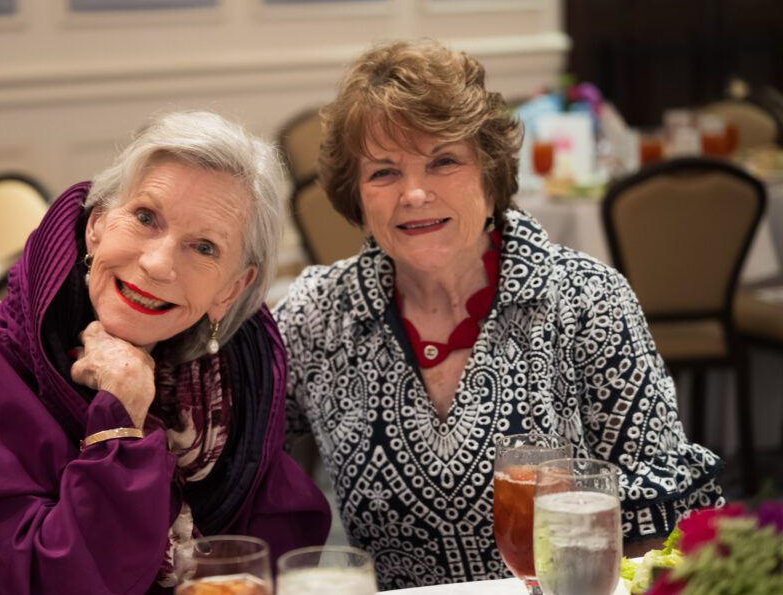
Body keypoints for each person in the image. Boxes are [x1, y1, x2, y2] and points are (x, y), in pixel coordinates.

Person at [271, 40, 724, 589]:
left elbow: (664, 520)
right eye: (384, 173)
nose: (414, 193)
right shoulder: (320, 315)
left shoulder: (584, 300)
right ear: (357, 198)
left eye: (443, 161)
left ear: (490, 179)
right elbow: (233, 456)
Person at [0, 111, 330, 594]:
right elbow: (52, 582)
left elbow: (270, 553)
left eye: (205, 248)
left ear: (232, 289)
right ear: (97, 225)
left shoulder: (236, 380)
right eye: (145, 218)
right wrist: (121, 421)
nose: (156, 264)